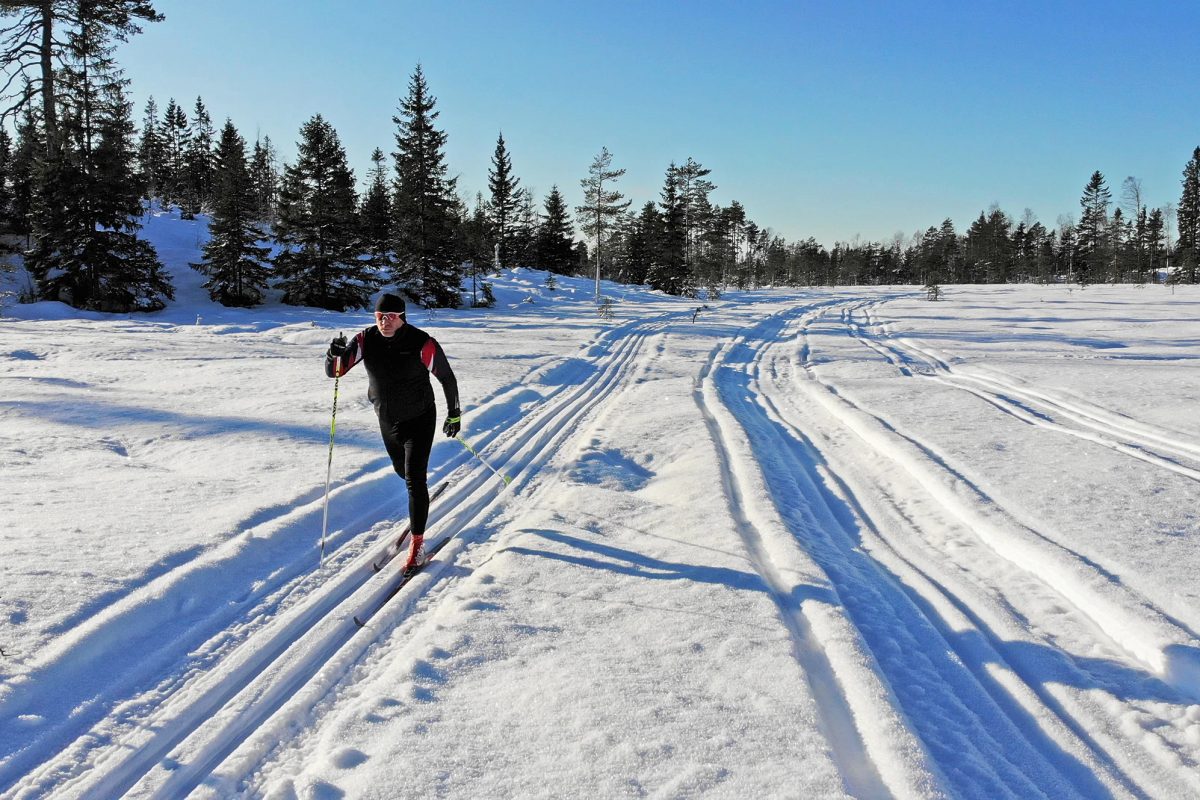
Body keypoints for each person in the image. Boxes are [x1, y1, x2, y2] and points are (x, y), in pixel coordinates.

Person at [325, 293, 460, 572]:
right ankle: (418, 493)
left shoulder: (421, 342)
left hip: (420, 417)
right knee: (402, 471)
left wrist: (454, 413)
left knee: (413, 479)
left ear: (402, 317)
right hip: (387, 420)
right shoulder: (365, 339)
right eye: (380, 316)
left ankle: (418, 542)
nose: (385, 321)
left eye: (391, 316)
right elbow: (337, 371)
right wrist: (333, 354)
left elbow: (446, 377)